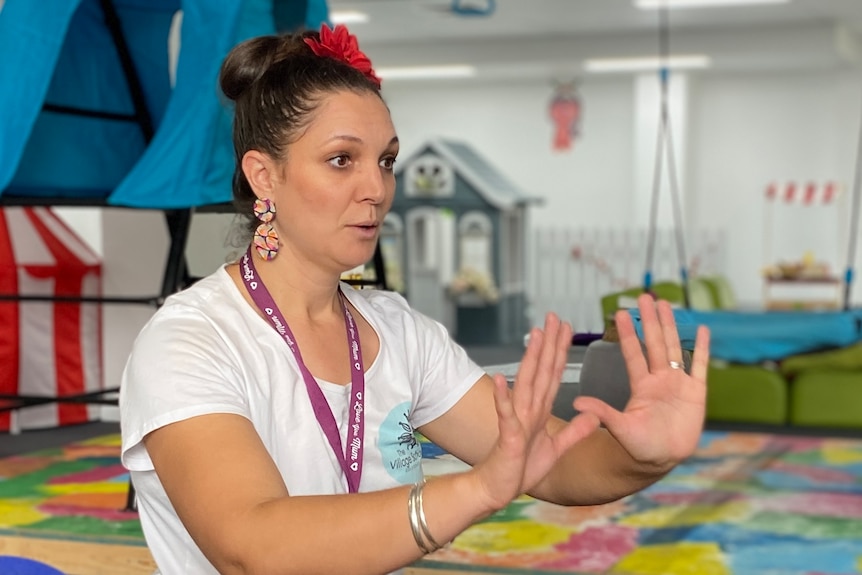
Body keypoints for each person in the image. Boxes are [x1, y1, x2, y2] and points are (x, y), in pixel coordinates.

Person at [119, 23, 710, 575]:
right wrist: (475, 490)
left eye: (386, 161)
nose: (376, 188)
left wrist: (645, 457)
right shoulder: (189, 342)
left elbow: (551, 461)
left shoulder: (398, 331)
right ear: (263, 176)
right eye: (341, 160)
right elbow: (253, 546)